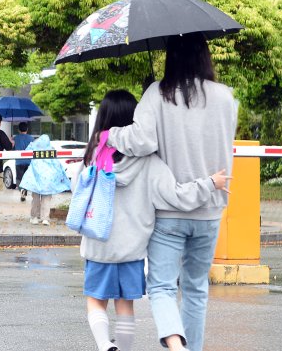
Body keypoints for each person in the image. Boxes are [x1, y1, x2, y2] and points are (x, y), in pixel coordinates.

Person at [106, 34, 238, 351]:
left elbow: (141, 142)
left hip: (168, 210)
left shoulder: (157, 93)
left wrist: (111, 134)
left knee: (162, 286)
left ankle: (176, 344)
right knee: (195, 288)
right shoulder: (225, 97)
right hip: (210, 208)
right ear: (204, 56)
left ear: (171, 58)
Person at [77, 90, 229, 351]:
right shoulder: (149, 162)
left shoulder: (93, 154)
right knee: (125, 304)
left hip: (98, 244)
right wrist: (209, 183)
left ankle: (104, 345)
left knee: (95, 300)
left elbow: (77, 188)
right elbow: (177, 196)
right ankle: (122, 348)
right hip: (132, 250)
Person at [20, 134, 71, 225]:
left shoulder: (34, 147)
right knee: (46, 199)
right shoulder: (50, 149)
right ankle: (45, 218)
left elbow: (25, 153)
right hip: (48, 179)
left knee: (35, 199)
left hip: (35, 178)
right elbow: (57, 164)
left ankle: (34, 217)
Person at [13, 122, 35, 202]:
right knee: (27, 178)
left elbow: (13, 149)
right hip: (29, 162)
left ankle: (22, 190)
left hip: (19, 162)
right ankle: (25, 190)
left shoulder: (15, 138)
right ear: (27, 129)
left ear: (18, 130)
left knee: (19, 178)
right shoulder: (31, 138)